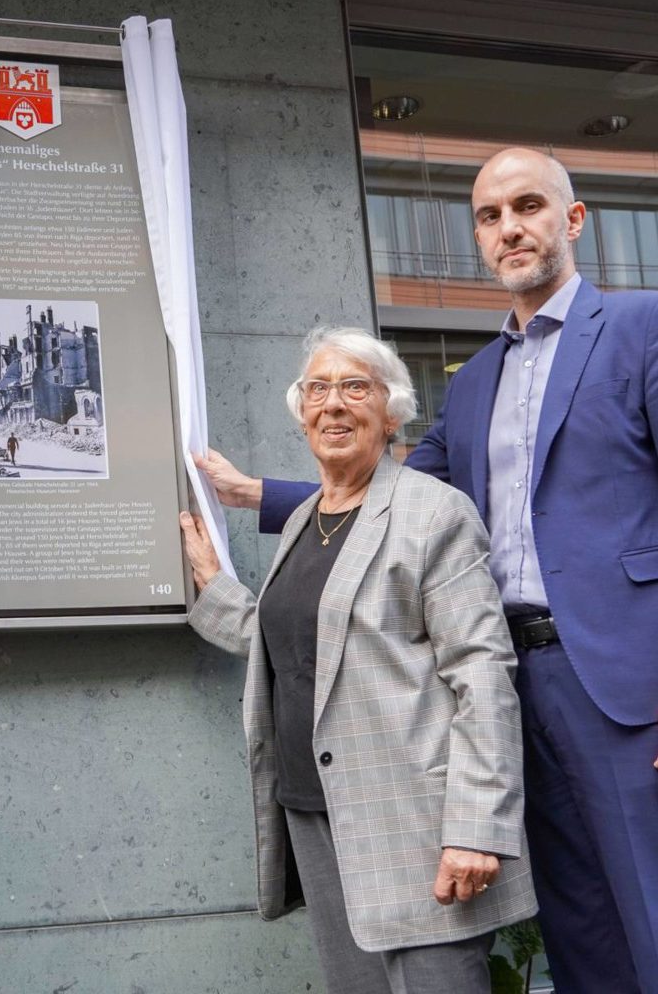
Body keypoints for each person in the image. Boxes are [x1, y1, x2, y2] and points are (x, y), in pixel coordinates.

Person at [198, 147, 658, 994]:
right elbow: (392, 496)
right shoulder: (476, 379)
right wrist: (255, 493)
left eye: (528, 206)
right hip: (514, 684)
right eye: (490, 216)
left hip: (628, 687)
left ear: (575, 219)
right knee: (581, 929)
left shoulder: (641, 327)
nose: (510, 228)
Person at [180, 326, 536, 994]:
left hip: (419, 830)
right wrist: (216, 590)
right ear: (301, 410)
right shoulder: (301, 520)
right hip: (317, 816)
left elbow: (484, 673)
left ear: (392, 411)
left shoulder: (435, 514)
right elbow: (302, 644)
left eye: (354, 387)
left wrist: (476, 827)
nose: (333, 404)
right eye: (318, 388)